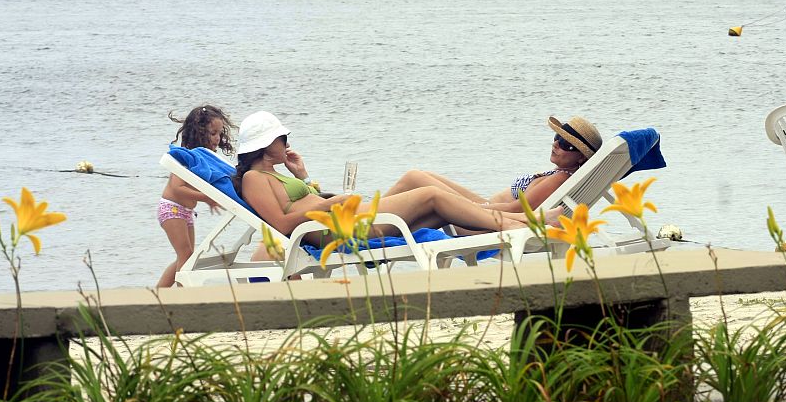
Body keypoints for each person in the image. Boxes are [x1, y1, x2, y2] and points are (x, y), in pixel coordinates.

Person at [233, 112, 550, 251]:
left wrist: (303, 177)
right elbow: (281, 224)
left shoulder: (274, 173)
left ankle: (514, 216)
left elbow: (304, 202)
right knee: (429, 196)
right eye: (281, 137)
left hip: (343, 216)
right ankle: (513, 223)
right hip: (339, 229)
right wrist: (329, 203)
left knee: (417, 179)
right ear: (264, 144)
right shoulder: (253, 178)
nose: (287, 141)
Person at [385, 116, 603, 214]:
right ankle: (375, 219)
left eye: (565, 144)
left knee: (414, 178)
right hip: (485, 208)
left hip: (484, 220)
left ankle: (370, 221)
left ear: (581, 158)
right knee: (422, 175)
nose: (555, 144)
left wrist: (473, 209)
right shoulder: (563, 174)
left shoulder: (560, 179)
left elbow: (517, 210)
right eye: (557, 137)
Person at [157, 105, 234, 288]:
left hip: (185, 212)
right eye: (213, 133)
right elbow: (178, 188)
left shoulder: (203, 158)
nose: (217, 138)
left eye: (219, 134)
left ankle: (160, 293)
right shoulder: (189, 157)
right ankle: (184, 294)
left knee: (187, 256)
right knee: (185, 256)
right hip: (171, 209)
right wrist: (206, 197)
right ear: (199, 132)